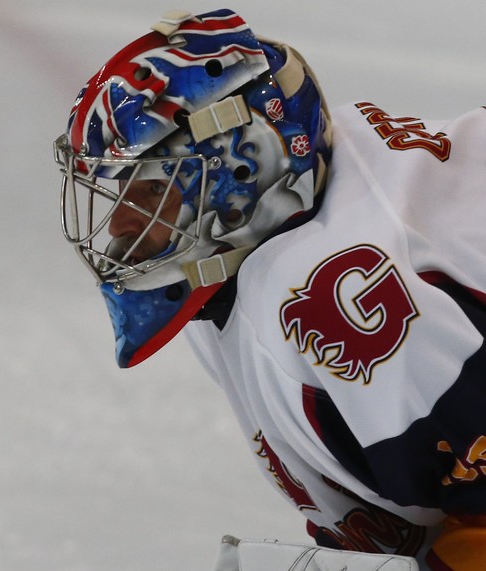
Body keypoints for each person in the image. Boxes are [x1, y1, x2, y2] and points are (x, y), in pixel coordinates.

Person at [54, 8, 484, 571]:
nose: (118, 227)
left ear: (241, 168)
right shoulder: (243, 261)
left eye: (148, 190)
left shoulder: (351, 307)